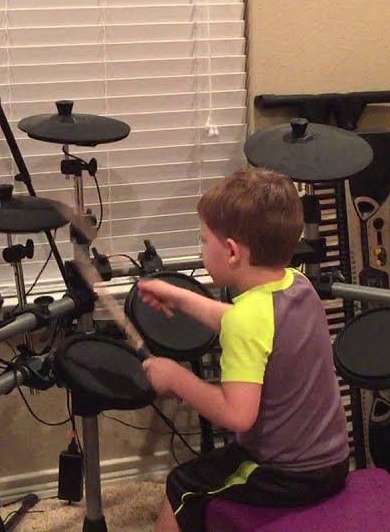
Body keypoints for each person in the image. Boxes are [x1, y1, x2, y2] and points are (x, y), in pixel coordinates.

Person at [136, 167, 351, 532]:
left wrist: (175, 377)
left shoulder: (247, 320)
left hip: (288, 473)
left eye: (204, 241)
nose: (202, 248)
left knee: (182, 486)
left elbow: (236, 417)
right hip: (333, 459)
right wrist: (181, 297)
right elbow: (245, 325)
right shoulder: (296, 285)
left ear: (232, 251)